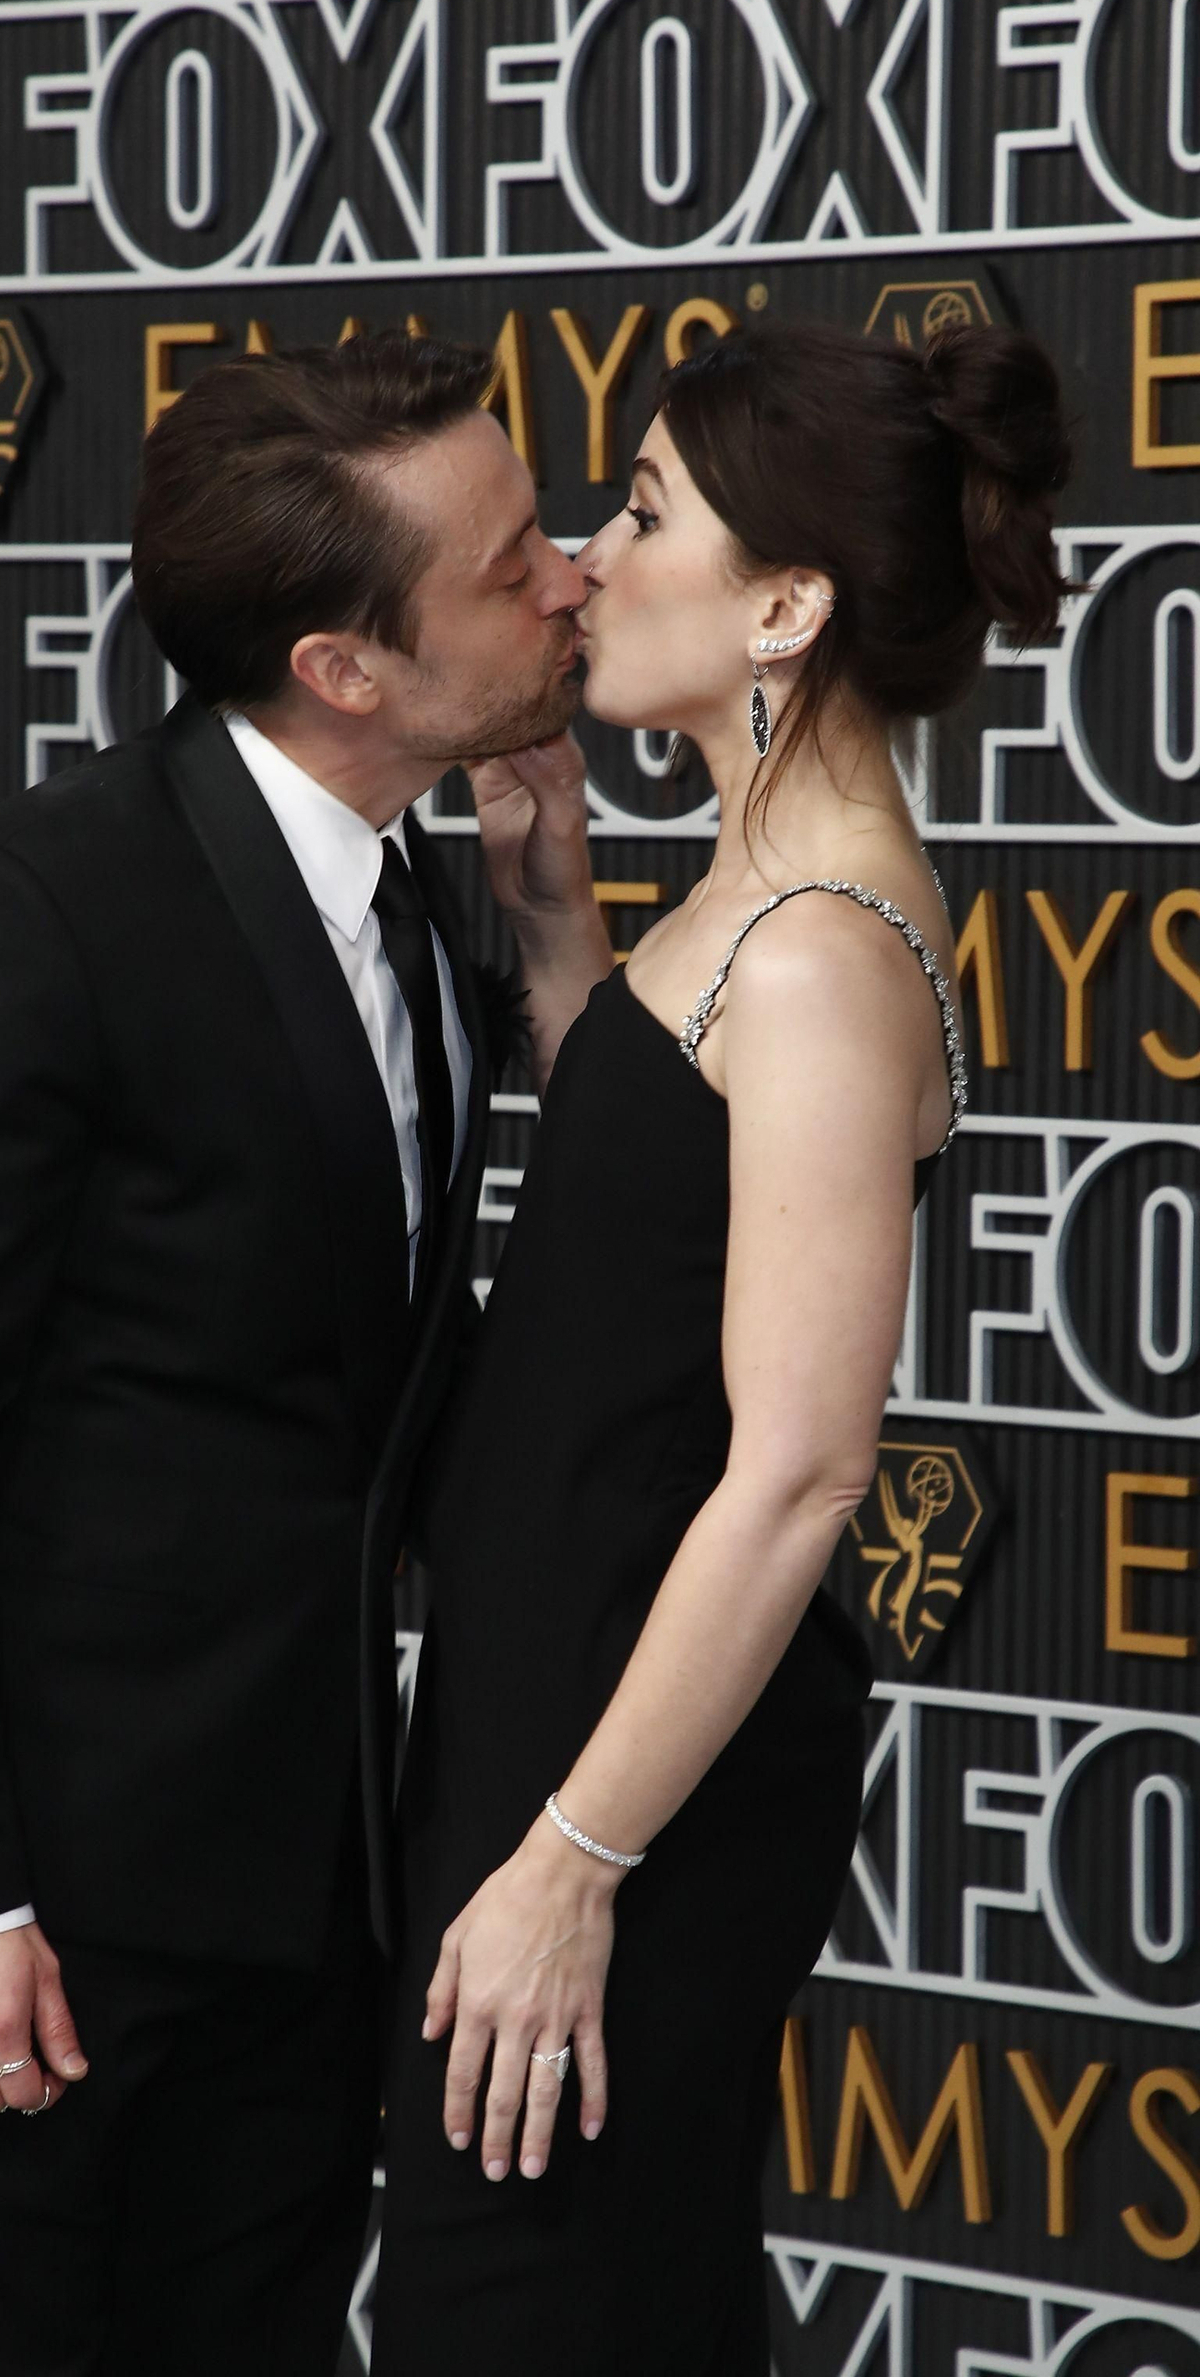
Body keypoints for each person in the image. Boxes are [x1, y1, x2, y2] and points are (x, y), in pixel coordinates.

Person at [0, 332, 595, 2376]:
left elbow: (383, 1380)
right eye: (509, 565)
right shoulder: (39, 917)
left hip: (304, 1914)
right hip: (37, 1932)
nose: (569, 576)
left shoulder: (427, 896)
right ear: (344, 667)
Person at [374, 318, 1074, 2370]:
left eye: (643, 511)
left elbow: (798, 1470)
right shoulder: (754, 899)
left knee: (550, 2309)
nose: (586, 560)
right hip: (555, 1717)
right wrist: (560, 925)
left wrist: (573, 1863)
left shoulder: (820, 952)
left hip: (631, 1787)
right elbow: (667, 1210)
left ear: (785, 605)